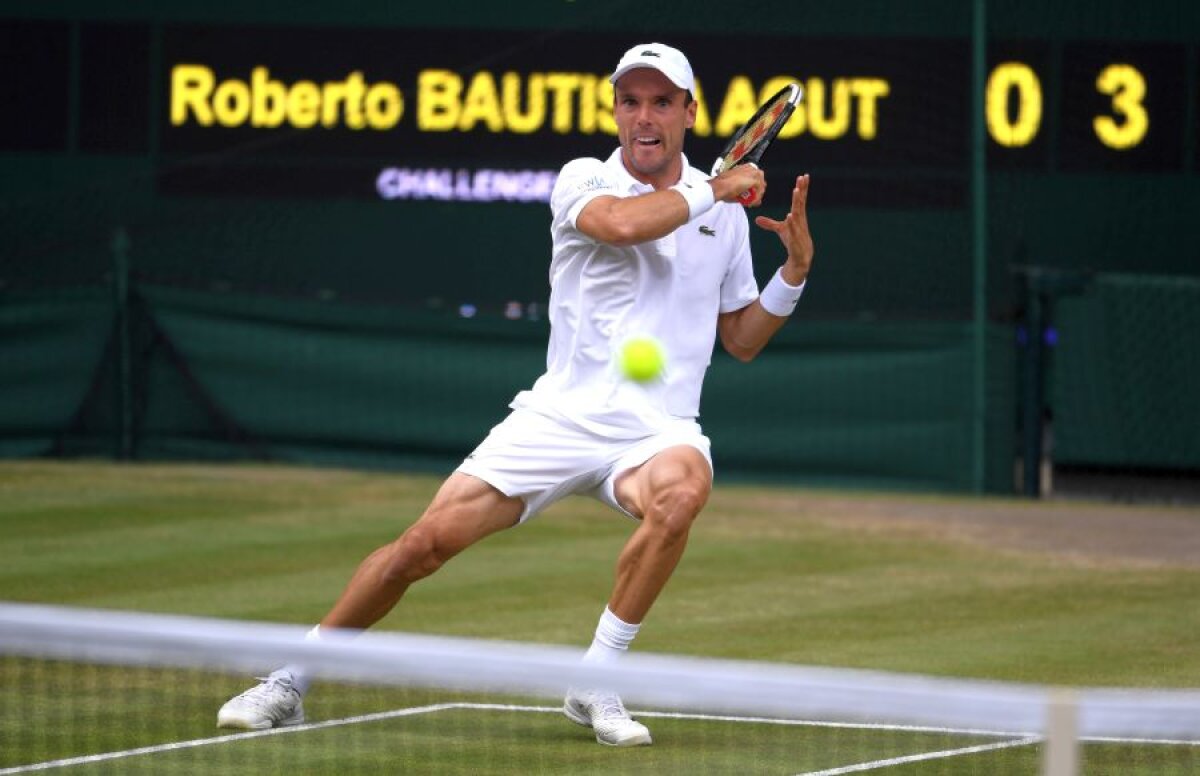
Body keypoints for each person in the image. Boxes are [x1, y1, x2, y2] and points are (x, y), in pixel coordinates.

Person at [217, 41, 814, 748]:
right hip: (559, 417)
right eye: (630, 101)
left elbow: (740, 338)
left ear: (689, 112)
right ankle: (290, 678)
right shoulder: (584, 178)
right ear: (615, 112)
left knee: (683, 493)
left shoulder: (726, 217)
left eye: (661, 102)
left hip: (656, 432)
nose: (644, 117)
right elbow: (623, 225)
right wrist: (715, 189)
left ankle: (595, 678)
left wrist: (794, 272)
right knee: (420, 549)